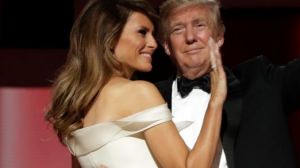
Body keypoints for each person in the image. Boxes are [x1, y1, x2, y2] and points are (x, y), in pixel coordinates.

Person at [45, 0, 228, 167]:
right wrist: (216, 102)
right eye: (142, 32)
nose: (153, 43)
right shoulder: (139, 92)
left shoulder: (78, 109)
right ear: (110, 37)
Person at [155, 0, 300, 168]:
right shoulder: (151, 98)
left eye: (200, 25)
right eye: (178, 29)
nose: (190, 37)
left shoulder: (261, 80)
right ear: (166, 45)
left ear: (219, 36)